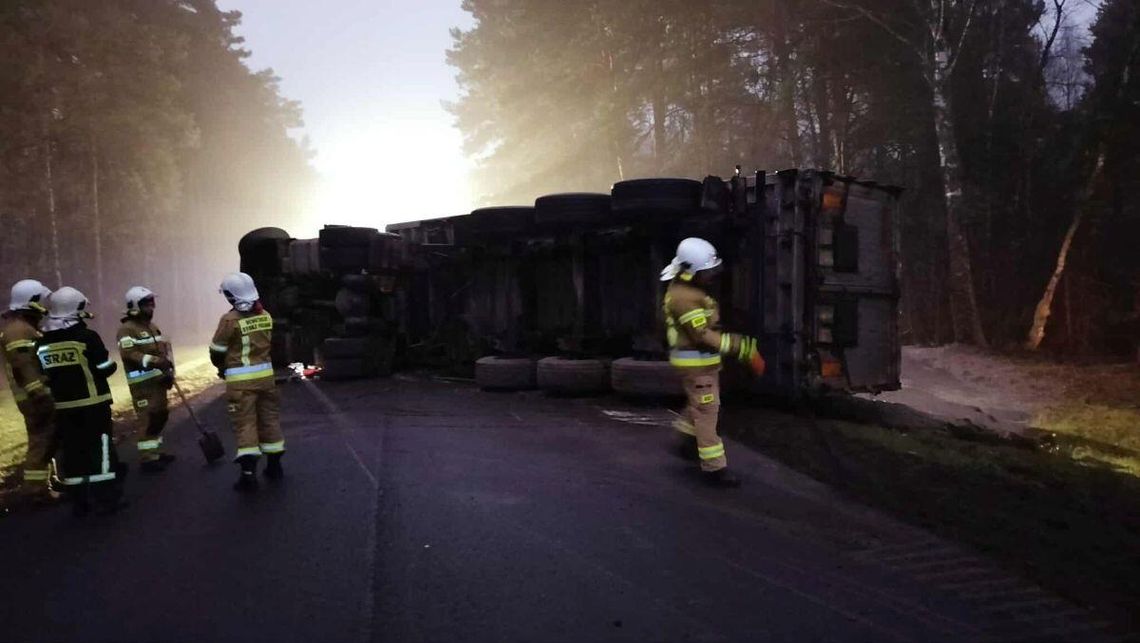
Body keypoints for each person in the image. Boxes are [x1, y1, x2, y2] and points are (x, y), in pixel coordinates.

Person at [660, 238, 766, 488]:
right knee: (708, 413)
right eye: (707, 271)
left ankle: (685, 442)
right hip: (697, 366)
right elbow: (702, 335)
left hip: (702, 364)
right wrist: (740, 347)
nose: (712, 275)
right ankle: (714, 469)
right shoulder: (683, 297)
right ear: (691, 271)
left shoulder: (689, 290)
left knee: (699, 406)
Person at [37, 287, 125, 515]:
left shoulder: (42, 343)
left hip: (64, 408)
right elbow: (104, 368)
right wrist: (111, 365)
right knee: (101, 451)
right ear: (76, 309)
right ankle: (106, 497)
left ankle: (79, 501)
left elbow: (44, 374)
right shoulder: (87, 337)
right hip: (93, 405)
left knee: (73, 453)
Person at [209, 272, 284, 491]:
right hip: (266, 381)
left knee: (246, 424)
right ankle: (274, 467)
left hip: (241, 384)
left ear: (232, 297)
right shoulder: (265, 315)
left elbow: (217, 351)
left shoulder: (230, 320)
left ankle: (248, 475)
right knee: (269, 420)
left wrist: (221, 368)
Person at [1, 279, 58, 505]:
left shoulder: (24, 327)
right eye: (41, 299)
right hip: (36, 398)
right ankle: (36, 492)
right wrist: (40, 393)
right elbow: (24, 366)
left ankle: (46, 484)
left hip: (37, 395)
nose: (45, 304)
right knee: (40, 443)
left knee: (47, 440)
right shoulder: (18, 331)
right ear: (31, 301)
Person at [117, 287, 176, 472]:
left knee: (160, 417)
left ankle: (155, 452)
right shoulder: (127, 330)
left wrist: (168, 372)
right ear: (135, 306)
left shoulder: (152, 327)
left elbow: (163, 350)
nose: (151, 308)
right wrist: (156, 362)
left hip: (158, 383)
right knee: (147, 420)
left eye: (152, 304)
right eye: (147, 304)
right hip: (142, 386)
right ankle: (147, 459)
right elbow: (129, 354)